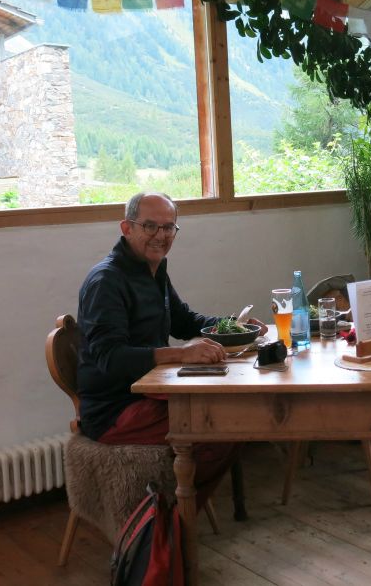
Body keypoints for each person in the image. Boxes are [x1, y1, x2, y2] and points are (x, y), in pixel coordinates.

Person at [76, 191, 265, 505]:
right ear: (127, 228)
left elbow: (185, 321)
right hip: (115, 409)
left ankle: (174, 513)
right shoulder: (106, 281)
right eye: (150, 226)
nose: (160, 236)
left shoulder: (154, 268)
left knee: (234, 416)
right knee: (225, 426)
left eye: (168, 228)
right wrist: (181, 353)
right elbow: (109, 357)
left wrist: (235, 326)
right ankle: (165, 516)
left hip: (152, 393)